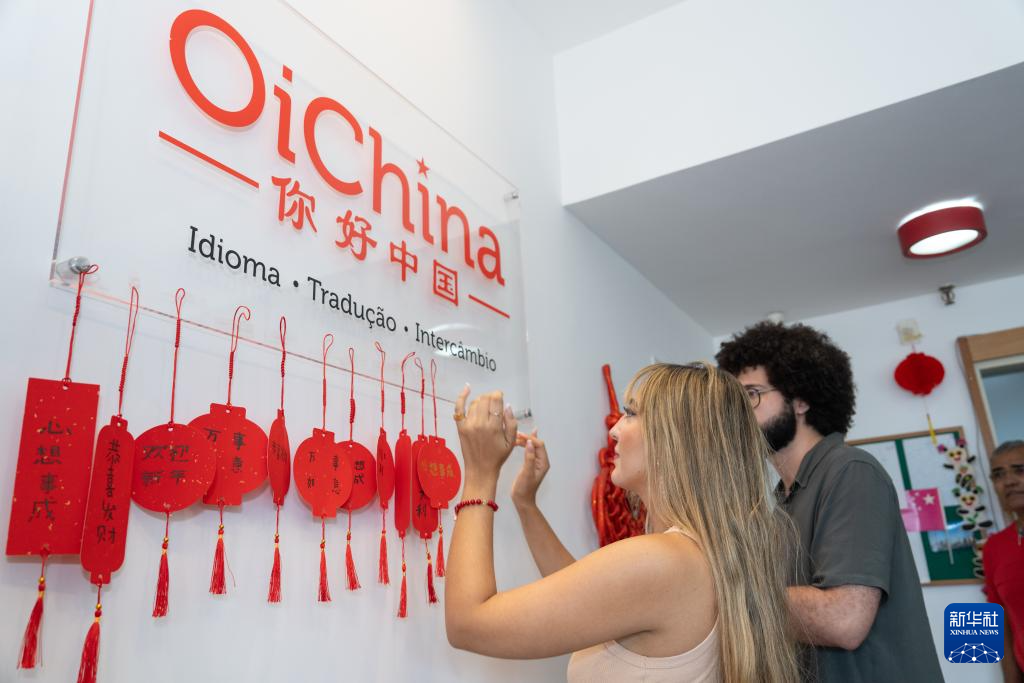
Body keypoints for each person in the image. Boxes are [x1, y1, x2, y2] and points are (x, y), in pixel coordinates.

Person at [443, 363, 800, 682]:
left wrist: (479, 474)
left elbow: (468, 624)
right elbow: (588, 595)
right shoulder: (696, 556)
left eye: (631, 413)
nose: (614, 430)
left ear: (674, 438)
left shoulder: (663, 560)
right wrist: (526, 506)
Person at [716, 321, 944, 682]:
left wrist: (717, 593)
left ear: (801, 400)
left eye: (752, 395)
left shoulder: (851, 471)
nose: (738, 412)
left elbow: (843, 620)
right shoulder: (779, 501)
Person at [984, 439, 1024, 682]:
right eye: (999, 475)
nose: (1009, 481)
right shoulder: (994, 547)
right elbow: (1001, 623)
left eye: (1020, 470)